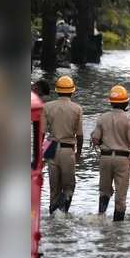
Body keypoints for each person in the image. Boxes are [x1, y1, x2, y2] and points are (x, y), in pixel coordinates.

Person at [91, 85, 130, 221]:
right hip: (122, 159)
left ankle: (101, 218)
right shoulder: (129, 119)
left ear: (111, 102)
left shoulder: (102, 118)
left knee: (104, 191)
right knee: (121, 195)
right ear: (126, 102)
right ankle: (118, 228)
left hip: (105, 158)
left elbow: (95, 140)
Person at [43, 75, 83, 214]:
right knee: (69, 186)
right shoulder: (77, 108)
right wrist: (78, 154)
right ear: (72, 91)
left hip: (50, 146)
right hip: (67, 148)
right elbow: (79, 135)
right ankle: (63, 214)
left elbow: (41, 133)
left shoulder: (47, 107)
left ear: (57, 90)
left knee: (54, 188)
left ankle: (53, 215)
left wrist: (40, 154)